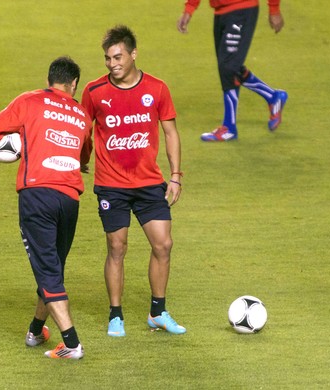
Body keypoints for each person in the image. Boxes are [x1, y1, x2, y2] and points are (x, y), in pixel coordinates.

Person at [0, 56, 91, 359]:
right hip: (70, 198)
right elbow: (85, 153)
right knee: (54, 266)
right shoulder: (80, 113)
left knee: (49, 272)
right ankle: (36, 330)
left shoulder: (30, 101)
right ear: (73, 84)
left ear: (50, 78)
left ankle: (72, 344)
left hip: (38, 195)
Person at [81, 25, 186, 337]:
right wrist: (82, 159)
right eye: (107, 59)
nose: (112, 64)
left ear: (133, 54)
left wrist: (176, 176)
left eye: (118, 57)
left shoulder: (156, 88)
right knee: (117, 246)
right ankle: (116, 315)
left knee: (163, 244)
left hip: (148, 183)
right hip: (111, 184)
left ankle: (158, 311)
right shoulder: (94, 91)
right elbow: (82, 129)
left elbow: (171, 132)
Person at [177, 0, 288, 141]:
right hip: (221, 12)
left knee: (228, 67)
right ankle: (273, 96)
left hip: (242, 9)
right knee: (230, 66)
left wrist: (274, 9)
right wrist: (189, 9)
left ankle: (229, 127)